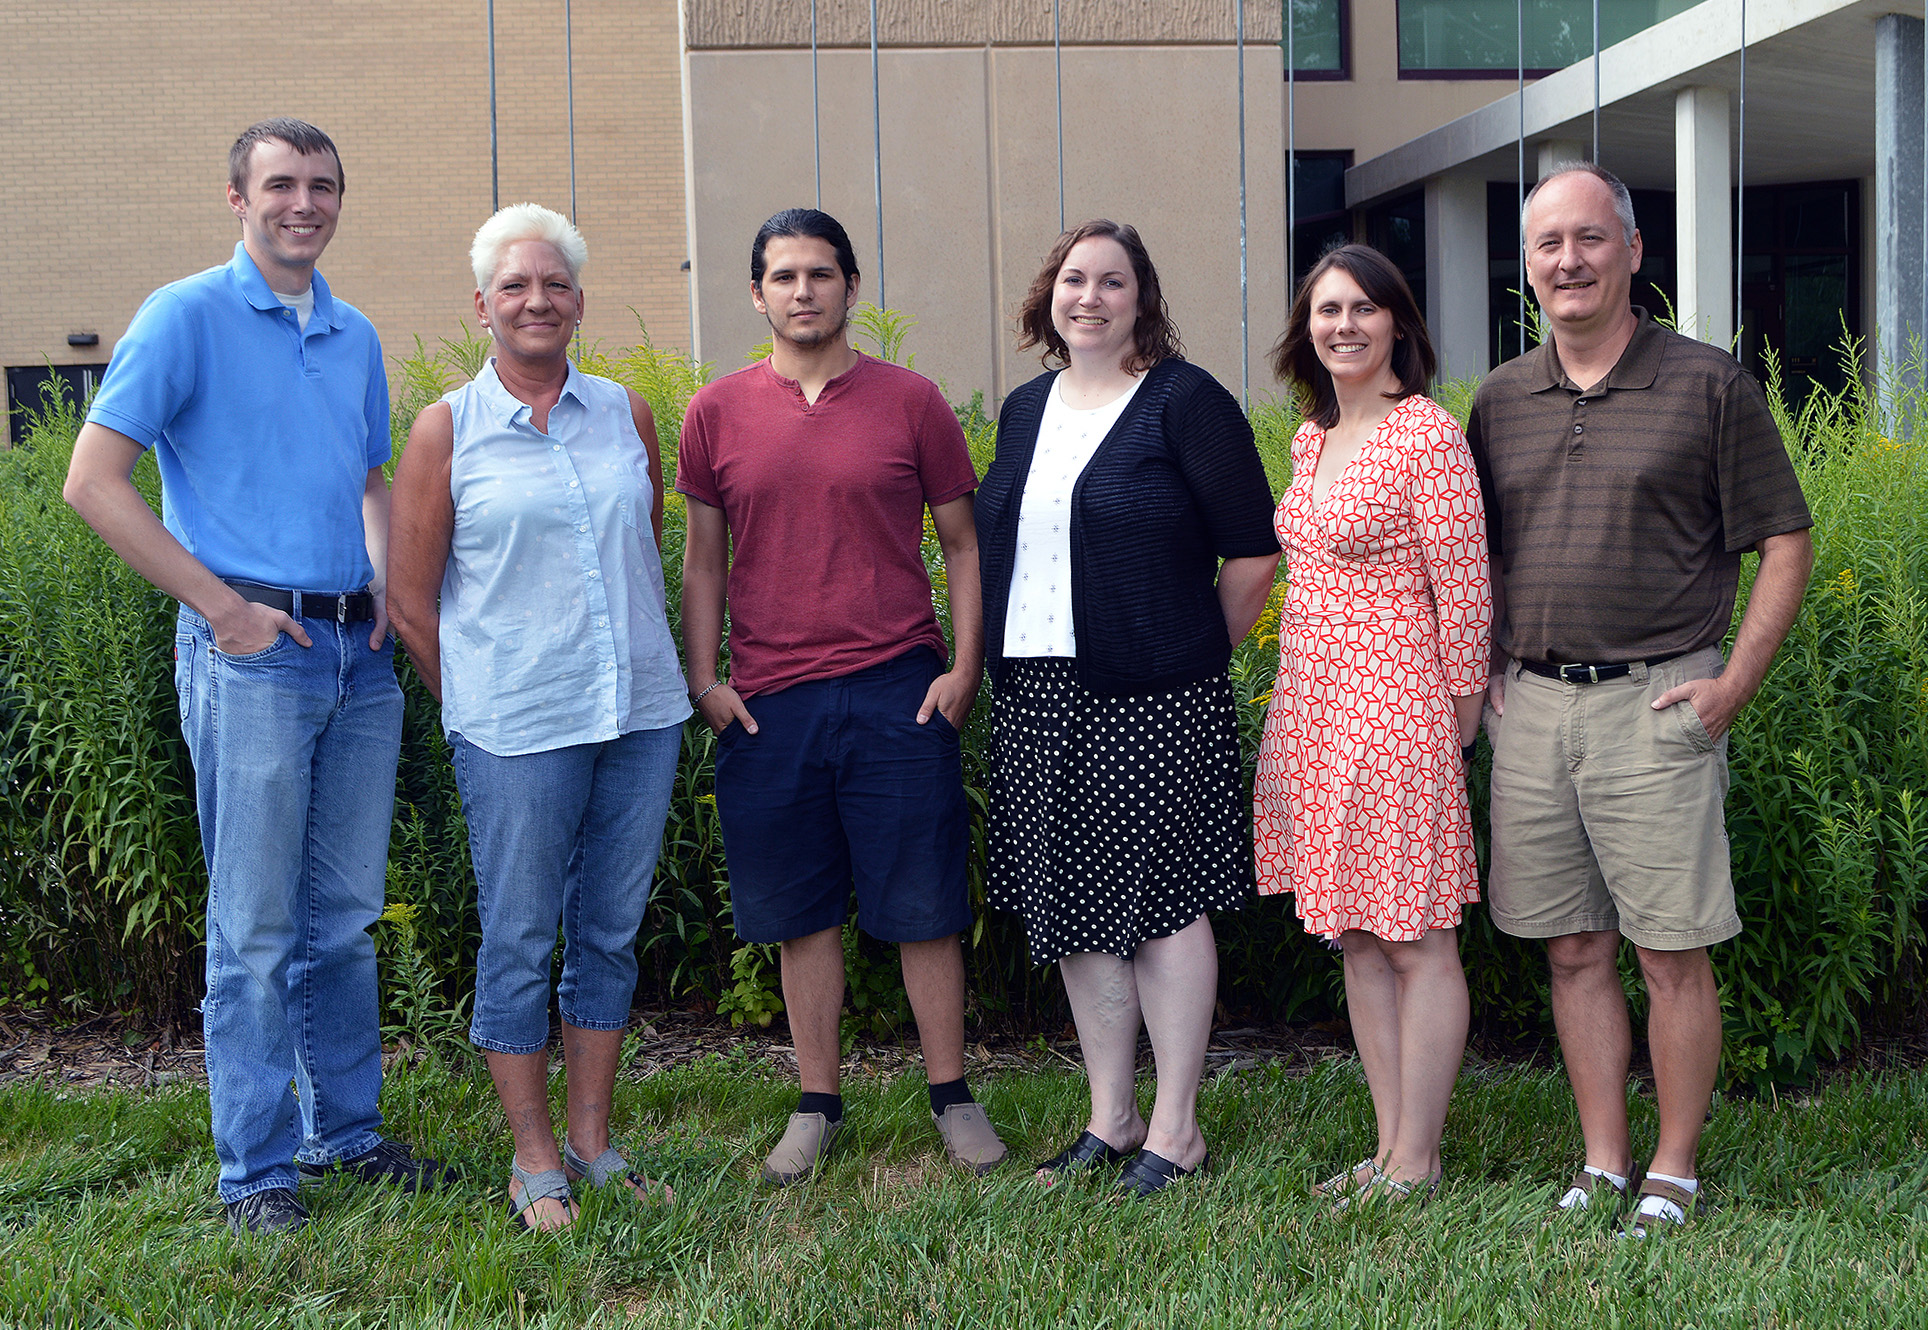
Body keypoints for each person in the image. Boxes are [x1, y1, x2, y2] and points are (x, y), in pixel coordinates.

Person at [62, 118, 442, 1236]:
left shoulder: (355, 332)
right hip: (253, 657)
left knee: (342, 916)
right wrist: (220, 608)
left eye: (322, 185)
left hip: (352, 658)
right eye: (280, 183)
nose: (303, 203)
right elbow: (93, 481)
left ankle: (348, 1134)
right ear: (237, 197)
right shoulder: (185, 315)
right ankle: (256, 1174)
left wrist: (382, 593)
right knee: (255, 927)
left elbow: (369, 482)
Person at [1469, 163, 1813, 1236]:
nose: (1564, 261)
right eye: (1544, 245)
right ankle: (1603, 1157)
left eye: (1586, 238)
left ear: (1629, 250)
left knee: (1668, 950)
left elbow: (1785, 539)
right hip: (1530, 708)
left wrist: (1731, 686)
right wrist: (1481, 677)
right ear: (1525, 268)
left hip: (1657, 702)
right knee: (1570, 945)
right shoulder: (1496, 398)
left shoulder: (1706, 385)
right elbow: (1464, 553)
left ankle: (1672, 1166)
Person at [678, 208, 1007, 1184]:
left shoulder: (910, 402)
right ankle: (816, 1102)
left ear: (850, 288)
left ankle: (950, 1095)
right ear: (756, 293)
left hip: (896, 689)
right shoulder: (715, 413)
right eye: (783, 276)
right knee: (800, 913)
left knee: (924, 906)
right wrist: (705, 679)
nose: (803, 290)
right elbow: (702, 563)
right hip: (769, 703)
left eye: (821, 274)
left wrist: (964, 668)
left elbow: (961, 544)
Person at [386, 205, 689, 1231]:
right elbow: (410, 602)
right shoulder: (446, 429)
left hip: (638, 714)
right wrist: (474, 703)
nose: (536, 300)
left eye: (554, 284)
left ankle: (594, 1141)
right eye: (514, 286)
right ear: (481, 306)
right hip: (514, 729)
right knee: (519, 939)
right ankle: (532, 1158)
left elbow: (639, 552)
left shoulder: (625, 413)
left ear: (578, 302)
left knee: (606, 932)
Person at [975, 220, 1280, 1197]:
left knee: (1160, 905)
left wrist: (1188, 653)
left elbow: (1251, 551)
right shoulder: (1025, 409)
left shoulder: (1183, 404)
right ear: (1048, 295)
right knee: (1073, 905)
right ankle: (1110, 1117)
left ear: (1141, 298)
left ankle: (1176, 1128)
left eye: (1112, 281)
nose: (1090, 297)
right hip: (1036, 692)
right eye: (1074, 279)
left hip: (1153, 696)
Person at [1252, 243, 1490, 1206]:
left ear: (1398, 323)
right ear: (1306, 328)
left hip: (1396, 714)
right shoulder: (1313, 437)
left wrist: (1455, 726)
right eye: (1326, 310)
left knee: (1417, 938)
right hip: (1311, 709)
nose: (1342, 325)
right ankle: (1389, 1149)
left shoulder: (1424, 434)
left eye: (1362, 308)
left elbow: (1466, 594)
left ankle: (1421, 1158)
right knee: (1355, 934)